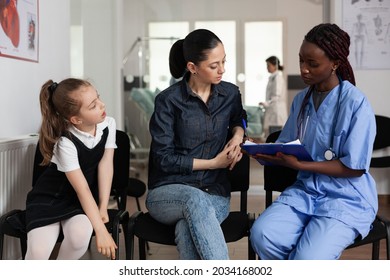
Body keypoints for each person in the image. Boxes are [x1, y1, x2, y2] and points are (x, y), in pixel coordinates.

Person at [250, 23, 377, 260]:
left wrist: (301, 166)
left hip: (345, 198)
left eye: (312, 64)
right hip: (306, 192)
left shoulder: (356, 103)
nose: (303, 70)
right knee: (262, 235)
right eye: (301, 61)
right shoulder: (301, 101)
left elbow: (354, 167)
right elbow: (287, 144)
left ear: (335, 64)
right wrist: (264, 153)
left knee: (307, 258)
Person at [146, 29, 245, 260]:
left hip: (215, 193)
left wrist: (239, 134)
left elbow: (238, 117)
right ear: (192, 67)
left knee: (185, 228)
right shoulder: (168, 101)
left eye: (224, 61)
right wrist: (212, 163)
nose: (222, 69)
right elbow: (163, 158)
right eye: (214, 65)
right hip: (167, 192)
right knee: (194, 199)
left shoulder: (230, 94)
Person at [24, 78, 118, 260]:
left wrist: (103, 207)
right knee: (38, 253)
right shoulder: (65, 142)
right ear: (76, 119)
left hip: (77, 201)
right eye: (93, 106)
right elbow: (81, 188)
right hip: (49, 199)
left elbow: (106, 165)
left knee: (79, 238)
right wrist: (101, 230)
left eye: (98, 98)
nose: (102, 105)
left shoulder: (108, 124)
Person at [259, 56, 288, 138]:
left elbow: (276, 96)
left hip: (276, 112)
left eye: (268, 65)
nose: (267, 68)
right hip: (273, 110)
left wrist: (266, 103)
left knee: (275, 136)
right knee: (272, 134)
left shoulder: (278, 78)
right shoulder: (273, 78)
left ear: (275, 66)